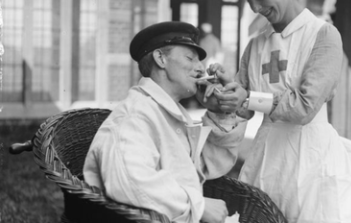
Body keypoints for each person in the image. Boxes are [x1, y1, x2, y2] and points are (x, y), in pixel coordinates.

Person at [205, 0, 351, 223]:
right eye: (248, 0)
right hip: (266, 157)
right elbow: (242, 107)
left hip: (311, 159)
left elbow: (304, 108)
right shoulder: (256, 44)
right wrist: (225, 97)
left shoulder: (322, 35)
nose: (255, 7)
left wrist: (247, 98)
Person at [83, 21, 248, 223]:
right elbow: (130, 182)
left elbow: (203, 166)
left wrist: (220, 111)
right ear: (161, 58)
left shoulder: (166, 111)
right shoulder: (134, 117)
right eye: (190, 58)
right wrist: (199, 206)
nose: (201, 69)